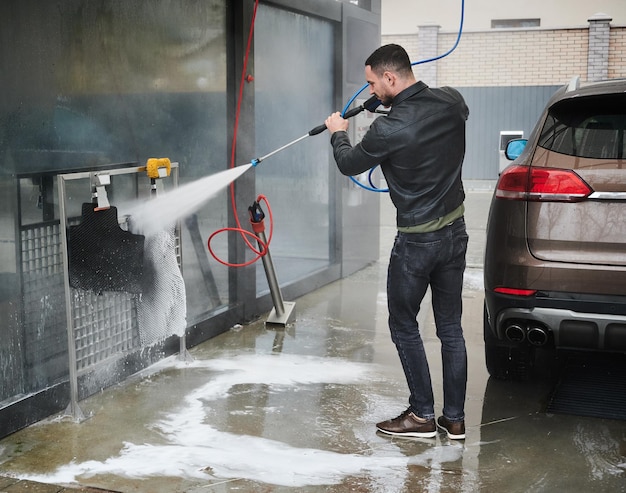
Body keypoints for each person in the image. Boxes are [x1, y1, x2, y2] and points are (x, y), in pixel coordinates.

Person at [325, 44, 469, 440]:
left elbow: (349, 163)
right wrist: (384, 106)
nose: (370, 90)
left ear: (390, 77)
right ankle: (454, 420)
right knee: (450, 328)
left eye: (373, 83)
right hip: (455, 235)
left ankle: (422, 417)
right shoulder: (452, 102)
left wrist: (339, 133)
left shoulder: (387, 131)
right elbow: (417, 114)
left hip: (417, 244)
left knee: (404, 324)